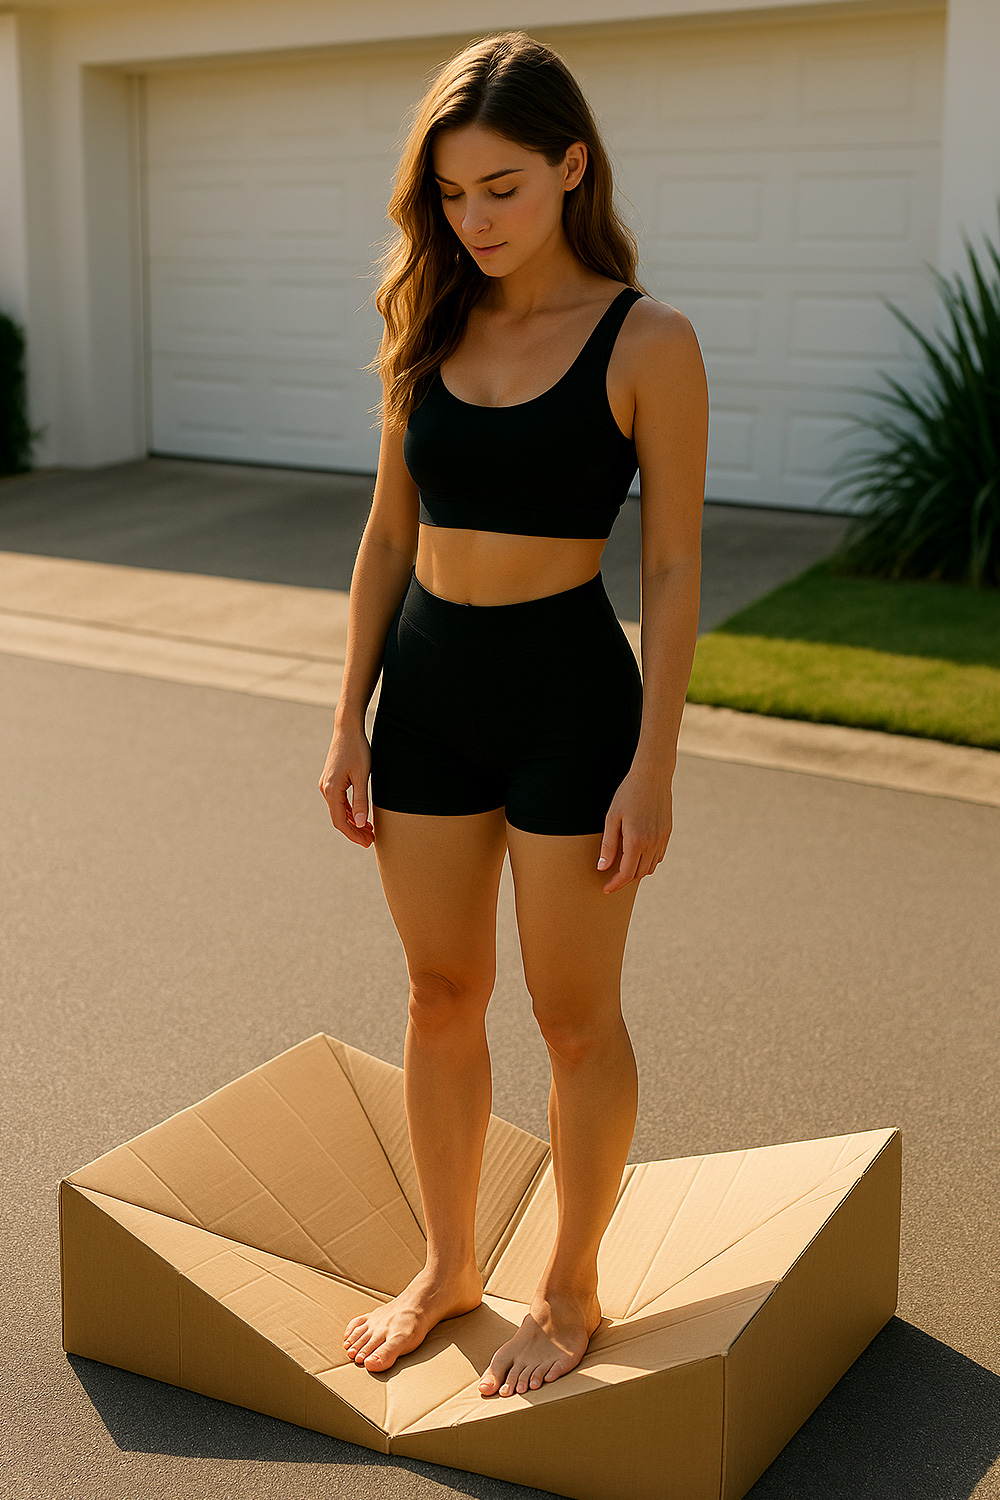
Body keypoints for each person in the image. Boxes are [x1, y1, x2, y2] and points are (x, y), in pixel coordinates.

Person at [318, 31, 708, 1401]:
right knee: (439, 995)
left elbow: (668, 566)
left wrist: (655, 762)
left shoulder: (647, 338)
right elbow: (383, 535)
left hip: (568, 703)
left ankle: (573, 1284)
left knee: (572, 1015)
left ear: (570, 167)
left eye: (502, 187)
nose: (473, 220)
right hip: (425, 691)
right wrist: (346, 715)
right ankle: (448, 1266)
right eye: (451, 194)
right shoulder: (422, 322)